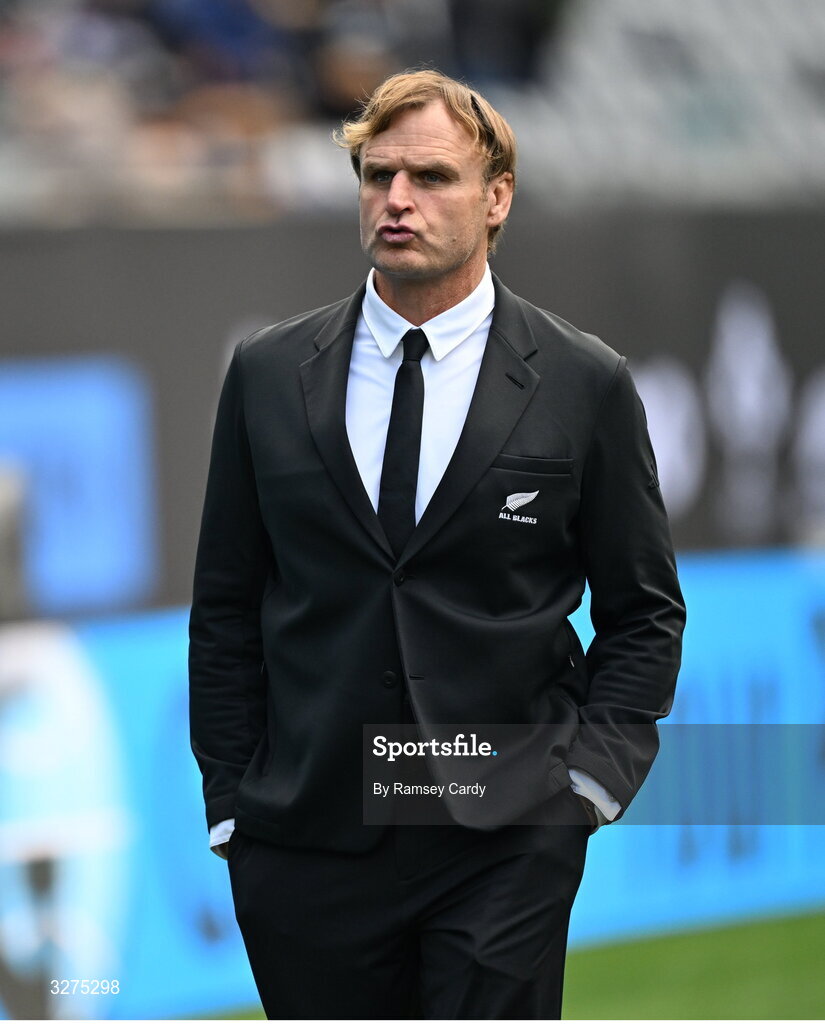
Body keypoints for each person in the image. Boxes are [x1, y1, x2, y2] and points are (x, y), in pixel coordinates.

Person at [189, 68, 685, 1020]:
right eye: (377, 176)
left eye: (431, 177)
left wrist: (585, 787)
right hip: (305, 841)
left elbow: (643, 612)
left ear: (496, 197)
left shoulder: (583, 383)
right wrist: (231, 806)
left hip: (503, 837)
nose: (397, 200)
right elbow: (225, 606)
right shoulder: (266, 373)